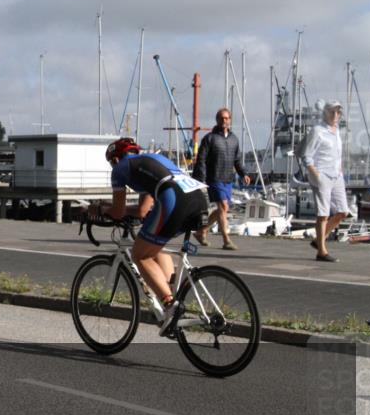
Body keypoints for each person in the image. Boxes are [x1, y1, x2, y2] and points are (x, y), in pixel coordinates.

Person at [91, 137, 209, 335]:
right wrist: (121, 210)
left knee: (140, 255)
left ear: (115, 158)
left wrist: (99, 209)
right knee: (154, 246)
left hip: (175, 198)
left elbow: (118, 212)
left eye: (112, 161)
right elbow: (143, 210)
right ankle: (171, 291)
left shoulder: (120, 168)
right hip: (198, 197)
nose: (113, 165)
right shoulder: (150, 162)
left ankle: (170, 304)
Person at [192, 108, 251, 250]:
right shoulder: (210, 138)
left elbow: (236, 160)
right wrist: (201, 178)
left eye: (227, 118)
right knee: (223, 207)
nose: (225, 121)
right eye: (222, 118)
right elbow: (201, 159)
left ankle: (201, 231)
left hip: (228, 179)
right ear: (217, 120)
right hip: (214, 178)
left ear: (230, 120)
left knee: (222, 209)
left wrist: (243, 173)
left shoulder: (234, 139)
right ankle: (226, 240)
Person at [301, 100, 349, 262]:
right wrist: (315, 174)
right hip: (321, 175)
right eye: (332, 111)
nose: (335, 115)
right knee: (323, 214)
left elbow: (337, 154)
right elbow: (306, 155)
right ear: (325, 113)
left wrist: (340, 169)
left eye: (338, 112)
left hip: (336, 176)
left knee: (343, 212)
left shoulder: (336, 131)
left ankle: (318, 240)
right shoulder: (317, 131)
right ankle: (321, 251)